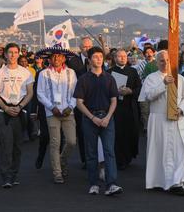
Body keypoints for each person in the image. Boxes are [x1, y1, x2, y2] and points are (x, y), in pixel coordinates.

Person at [139, 50, 184, 196]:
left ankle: (177, 182)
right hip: (158, 119)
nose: (165, 63)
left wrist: (181, 109)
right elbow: (148, 95)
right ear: (157, 62)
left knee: (179, 151)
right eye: (161, 60)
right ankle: (158, 181)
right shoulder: (151, 78)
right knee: (159, 150)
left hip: (177, 118)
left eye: (167, 60)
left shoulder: (180, 78)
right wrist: (163, 84)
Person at [73, 46, 123, 196]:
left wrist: (107, 117)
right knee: (91, 153)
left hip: (107, 118)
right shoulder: (83, 79)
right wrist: (93, 118)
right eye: (95, 57)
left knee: (109, 152)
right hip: (90, 119)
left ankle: (111, 184)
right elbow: (79, 103)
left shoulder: (109, 78)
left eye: (101, 56)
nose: (99, 59)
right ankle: (93, 183)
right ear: (89, 60)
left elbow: (114, 100)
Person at [0, 43, 34, 188]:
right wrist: (5, 107)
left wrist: (20, 107)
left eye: (16, 52)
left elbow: (30, 93)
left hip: (20, 112)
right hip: (4, 113)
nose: (13, 55)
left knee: (17, 146)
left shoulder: (25, 72)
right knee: (5, 145)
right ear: (6, 54)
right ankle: (6, 176)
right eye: (10, 52)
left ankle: (14, 174)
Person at [37, 47, 77, 184]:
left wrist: (70, 106)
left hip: (68, 111)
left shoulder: (71, 73)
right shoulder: (44, 73)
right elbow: (40, 93)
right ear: (49, 58)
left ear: (64, 58)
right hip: (52, 112)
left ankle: (62, 161)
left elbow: (76, 93)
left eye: (59, 56)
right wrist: (51, 107)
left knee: (72, 141)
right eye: (54, 56)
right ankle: (57, 172)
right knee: (55, 142)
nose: (57, 58)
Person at [108, 49, 142, 170]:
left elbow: (139, 88)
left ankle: (128, 157)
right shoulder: (109, 72)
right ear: (115, 58)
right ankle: (118, 159)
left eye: (124, 56)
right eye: (119, 56)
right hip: (116, 108)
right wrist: (115, 92)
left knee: (130, 132)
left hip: (130, 107)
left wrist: (130, 91)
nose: (122, 58)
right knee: (117, 134)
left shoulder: (133, 71)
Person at [67, 36, 93, 168]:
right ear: (80, 48)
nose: (87, 49)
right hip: (78, 101)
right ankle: (85, 160)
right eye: (85, 47)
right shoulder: (73, 62)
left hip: (94, 102)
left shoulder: (97, 60)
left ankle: (95, 159)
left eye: (89, 47)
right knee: (82, 132)